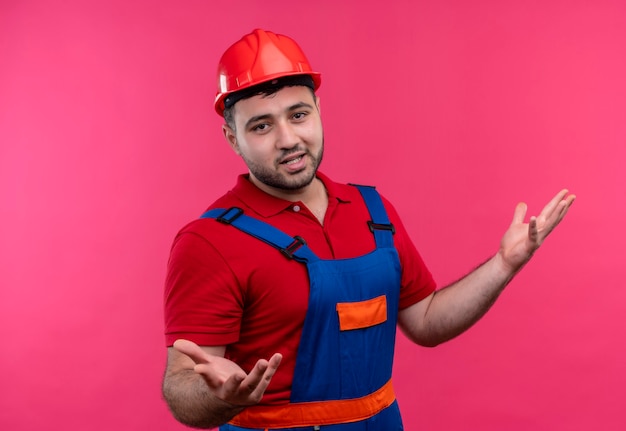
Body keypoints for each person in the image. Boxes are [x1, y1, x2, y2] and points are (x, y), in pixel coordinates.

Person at [162, 29, 575, 430]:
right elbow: (180, 386)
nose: (288, 139)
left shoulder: (372, 210)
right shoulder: (209, 241)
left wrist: (503, 264)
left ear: (319, 113)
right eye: (262, 126)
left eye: (299, 115)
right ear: (232, 138)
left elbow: (427, 322)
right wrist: (219, 398)